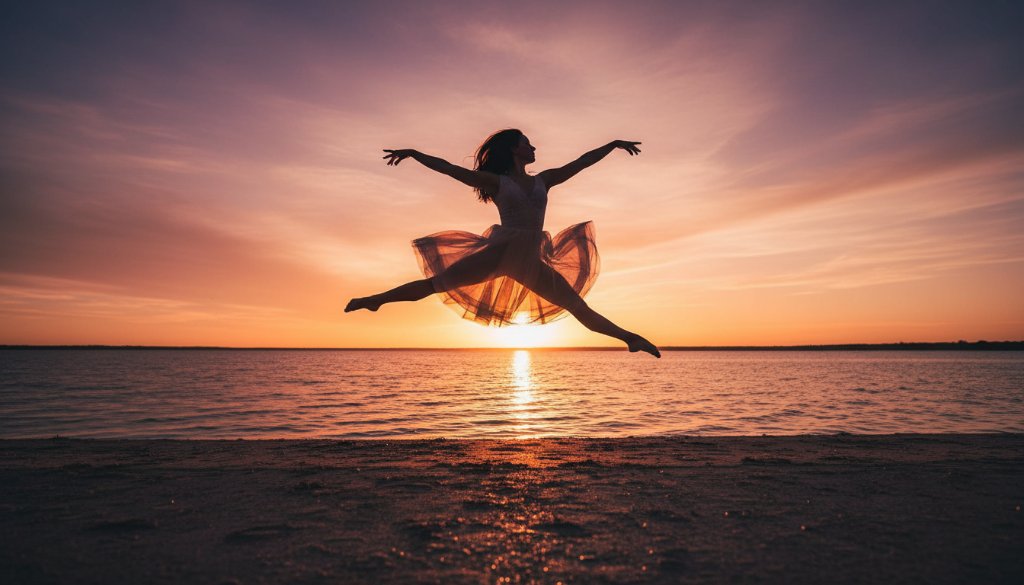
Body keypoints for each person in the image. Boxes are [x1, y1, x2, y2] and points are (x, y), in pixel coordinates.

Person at [345, 129, 660, 358]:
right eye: (527, 142)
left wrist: (612, 144)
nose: (533, 146)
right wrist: (414, 154)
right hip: (498, 254)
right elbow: (449, 169)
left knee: (578, 306)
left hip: (529, 262)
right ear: (513, 149)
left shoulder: (544, 179)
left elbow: (581, 162)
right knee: (434, 285)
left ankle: (629, 338)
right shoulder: (496, 182)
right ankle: (375, 300)